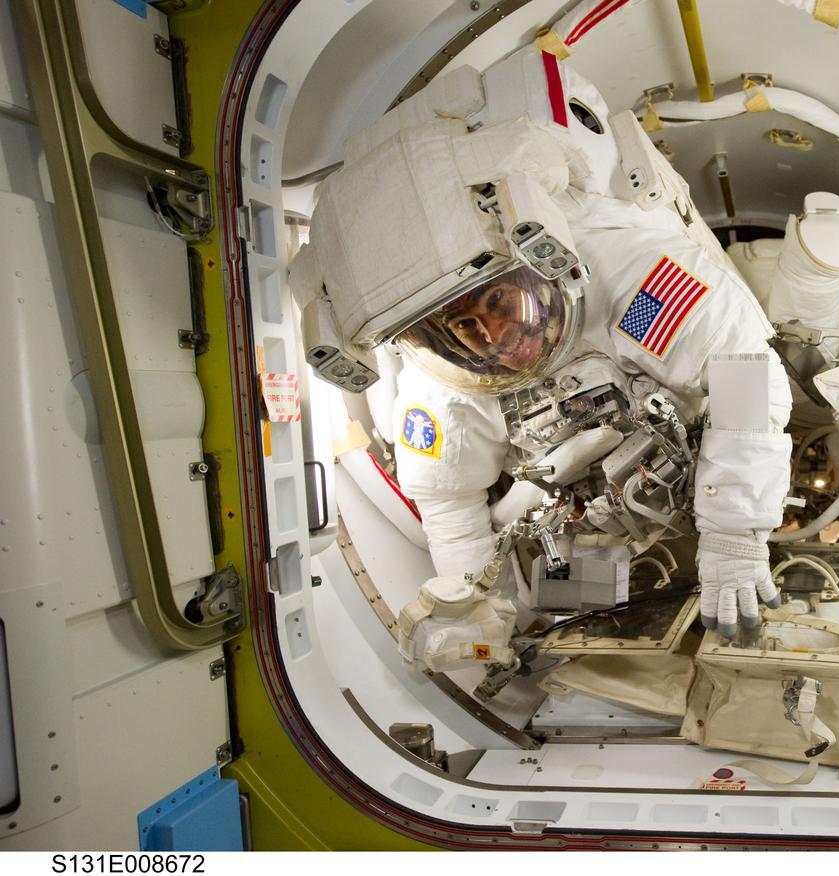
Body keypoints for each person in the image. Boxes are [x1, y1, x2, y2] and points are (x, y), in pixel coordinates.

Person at [297, 48, 794, 660]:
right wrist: (480, 610)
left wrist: (735, 537)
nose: (492, 339)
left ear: (538, 263)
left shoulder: (631, 288)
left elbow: (744, 381)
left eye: (499, 302)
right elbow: (449, 501)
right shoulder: (451, 382)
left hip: (708, 446)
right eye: (461, 325)